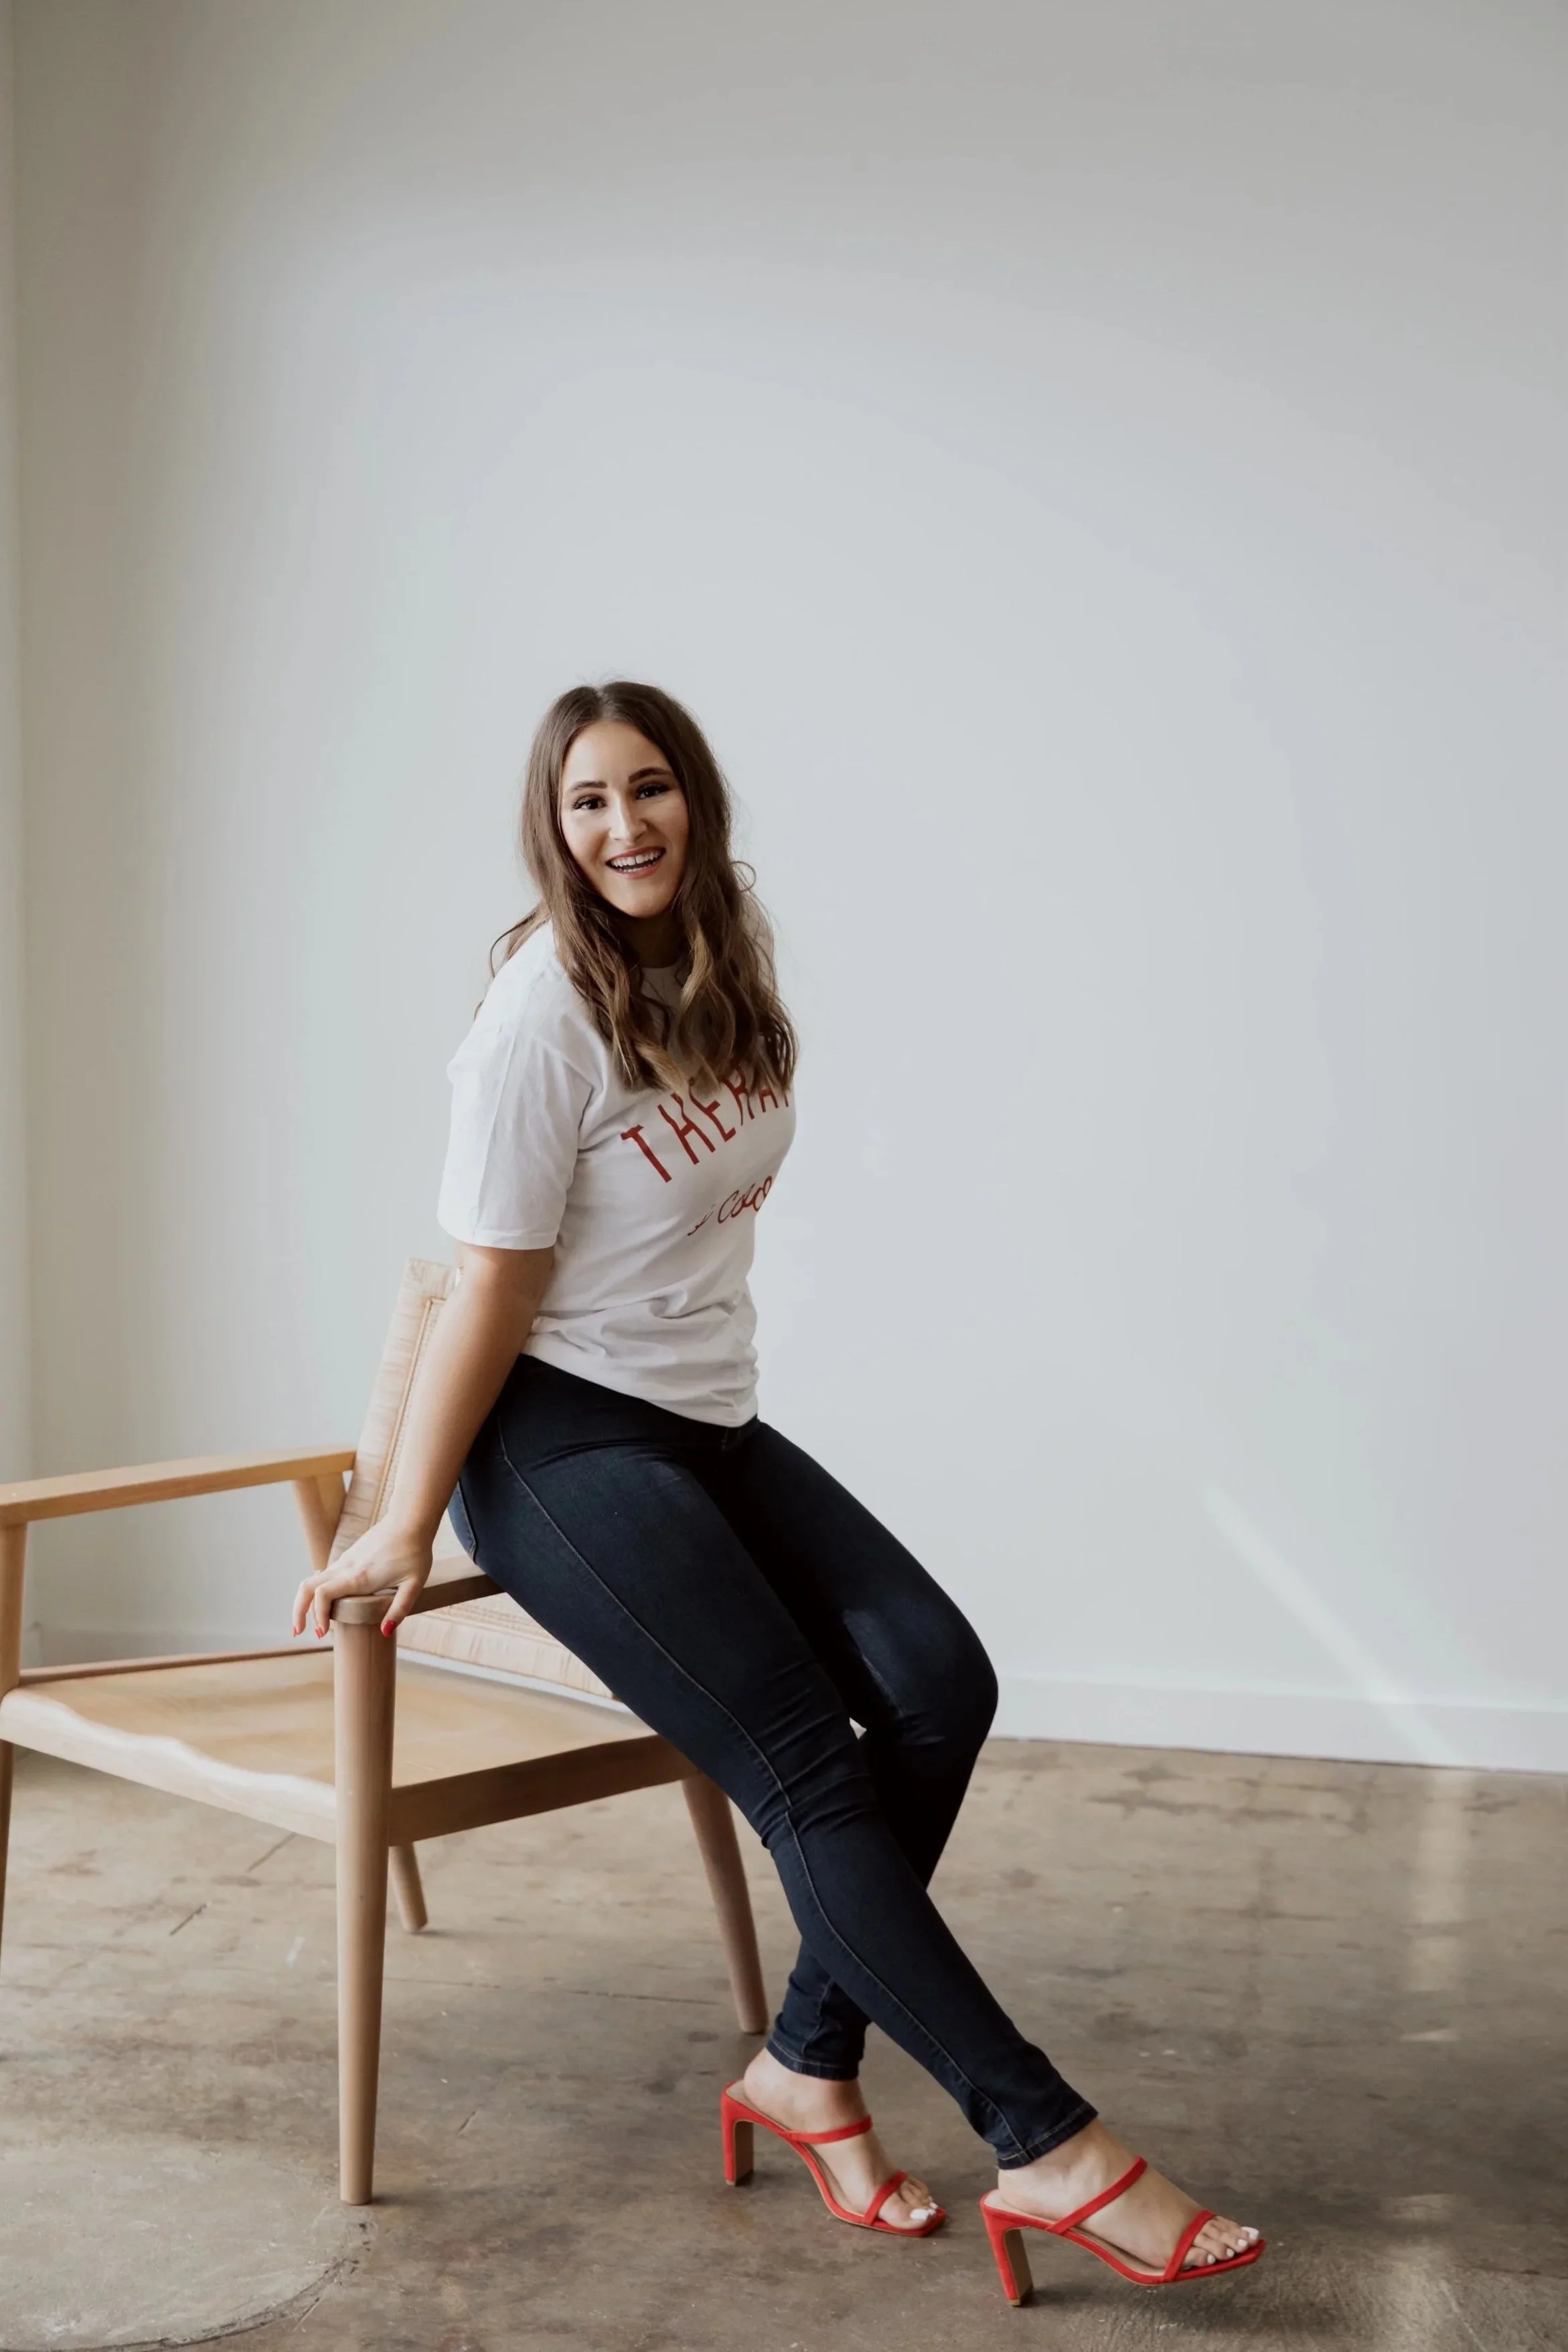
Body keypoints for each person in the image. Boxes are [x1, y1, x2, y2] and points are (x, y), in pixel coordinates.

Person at [292, 681, 1264, 2292]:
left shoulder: (719, 957)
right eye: (587, 802)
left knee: (942, 1682)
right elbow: (488, 1289)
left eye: (650, 788)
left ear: (698, 800)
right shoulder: (539, 1018)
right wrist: (401, 1510)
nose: (625, 826)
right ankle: (1051, 2144)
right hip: (557, 1442)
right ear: (552, 828)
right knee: (808, 1757)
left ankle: (803, 2066)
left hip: (702, 1422)